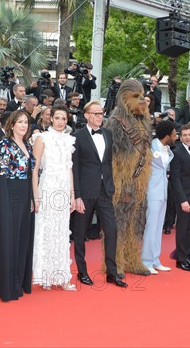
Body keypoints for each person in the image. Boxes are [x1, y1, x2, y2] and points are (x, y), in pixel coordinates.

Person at [72, 100, 126, 287]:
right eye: (95, 113)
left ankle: (112, 272)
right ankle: (82, 272)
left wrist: (111, 186)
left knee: (111, 230)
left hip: (104, 191)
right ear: (86, 115)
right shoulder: (77, 136)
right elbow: (75, 168)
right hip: (85, 192)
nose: (99, 116)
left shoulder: (108, 135)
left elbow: (108, 163)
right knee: (80, 234)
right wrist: (77, 195)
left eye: (101, 113)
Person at [0, 110, 36, 302]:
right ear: (12, 124)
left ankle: (18, 282)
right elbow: (2, 176)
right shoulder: (4, 144)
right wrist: (5, 204)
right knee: (10, 238)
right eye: (20, 122)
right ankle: (7, 286)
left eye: (26, 122)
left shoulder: (28, 145)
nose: (24, 125)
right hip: (9, 194)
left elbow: (31, 174)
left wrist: (32, 198)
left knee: (22, 238)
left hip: (25, 194)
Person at [31, 105, 77, 290]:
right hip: (48, 189)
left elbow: (69, 168)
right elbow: (34, 170)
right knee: (46, 232)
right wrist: (36, 196)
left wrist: (73, 195)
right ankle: (45, 277)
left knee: (61, 233)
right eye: (57, 118)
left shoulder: (69, 140)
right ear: (50, 119)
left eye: (63, 119)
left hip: (64, 190)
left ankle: (63, 276)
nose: (60, 122)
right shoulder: (42, 138)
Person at [141, 120, 176, 274]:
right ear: (167, 135)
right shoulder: (150, 146)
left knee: (158, 227)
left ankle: (155, 260)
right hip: (151, 192)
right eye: (175, 134)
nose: (176, 136)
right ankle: (146, 261)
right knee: (150, 227)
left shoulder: (168, 149)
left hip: (163, 192)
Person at [170, 123, 190, 272]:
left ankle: (187, 256)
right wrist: (182, 200)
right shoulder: (177, 152)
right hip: (184, 197)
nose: (188, 138)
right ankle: (180, 259)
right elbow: (175, 179)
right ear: (180, 137)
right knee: (182, 229)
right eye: (185, 135)